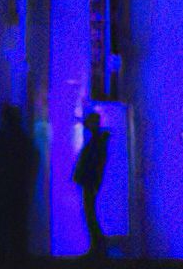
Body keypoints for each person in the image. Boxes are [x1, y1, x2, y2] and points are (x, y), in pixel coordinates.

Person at [0, 104, 38, 262]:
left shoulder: (6, 140)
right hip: (19, 186)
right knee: (19, 223)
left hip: (10, 187)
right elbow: (32, 160)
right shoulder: (23, 139)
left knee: (11, 222)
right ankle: (20, 254)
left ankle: (13, 255)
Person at [73, 110, 110, 258]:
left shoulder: (96, 142)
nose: (86, 125)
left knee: (90, 213)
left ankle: (97, 245)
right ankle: (97, 244)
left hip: (89, 182)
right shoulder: (98, 141)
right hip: (90, 182)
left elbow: (95, 165)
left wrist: (94, 183)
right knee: (90, 213)